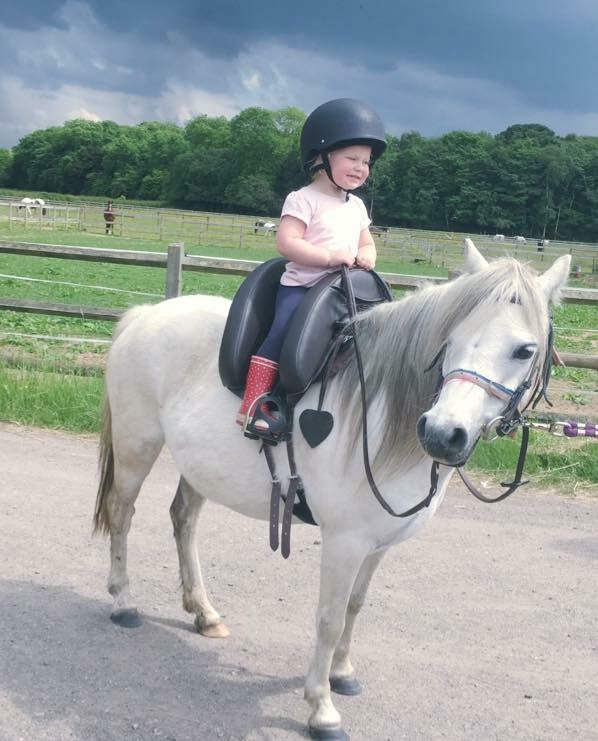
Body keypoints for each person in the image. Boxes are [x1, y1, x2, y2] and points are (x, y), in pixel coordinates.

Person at [236, 98, 387, 436]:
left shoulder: (357, 206)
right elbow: (288, 243)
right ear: (321, 157)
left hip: (341, 291)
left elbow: (366, 242)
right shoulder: (302, 199)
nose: (361, 167)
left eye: (366, 162)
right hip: (302, 287)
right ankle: (258, 403)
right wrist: (330, 256)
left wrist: (368, 256)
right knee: (281, 333)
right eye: (352, 158)